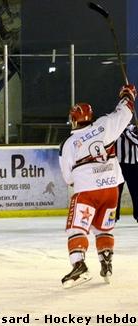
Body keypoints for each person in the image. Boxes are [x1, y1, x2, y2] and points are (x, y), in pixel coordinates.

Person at [58, 84, 136, 289]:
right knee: (104, 229)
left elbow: (68, 177)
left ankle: (79, 265)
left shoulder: (69, 143)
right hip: (111, 190)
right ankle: (106, 263)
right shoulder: (104, 124)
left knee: (76, 229)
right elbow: (125, 112)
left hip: (87, 192)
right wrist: (127, 94)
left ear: (73, 120)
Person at [115, 122, 138, 223]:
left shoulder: (134, 128)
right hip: (118, 165)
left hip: (133, 165)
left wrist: (126, 131)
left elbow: (136, 141)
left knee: (136, 192)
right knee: (116, 192)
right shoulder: (114, 129)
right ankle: (114, 216)